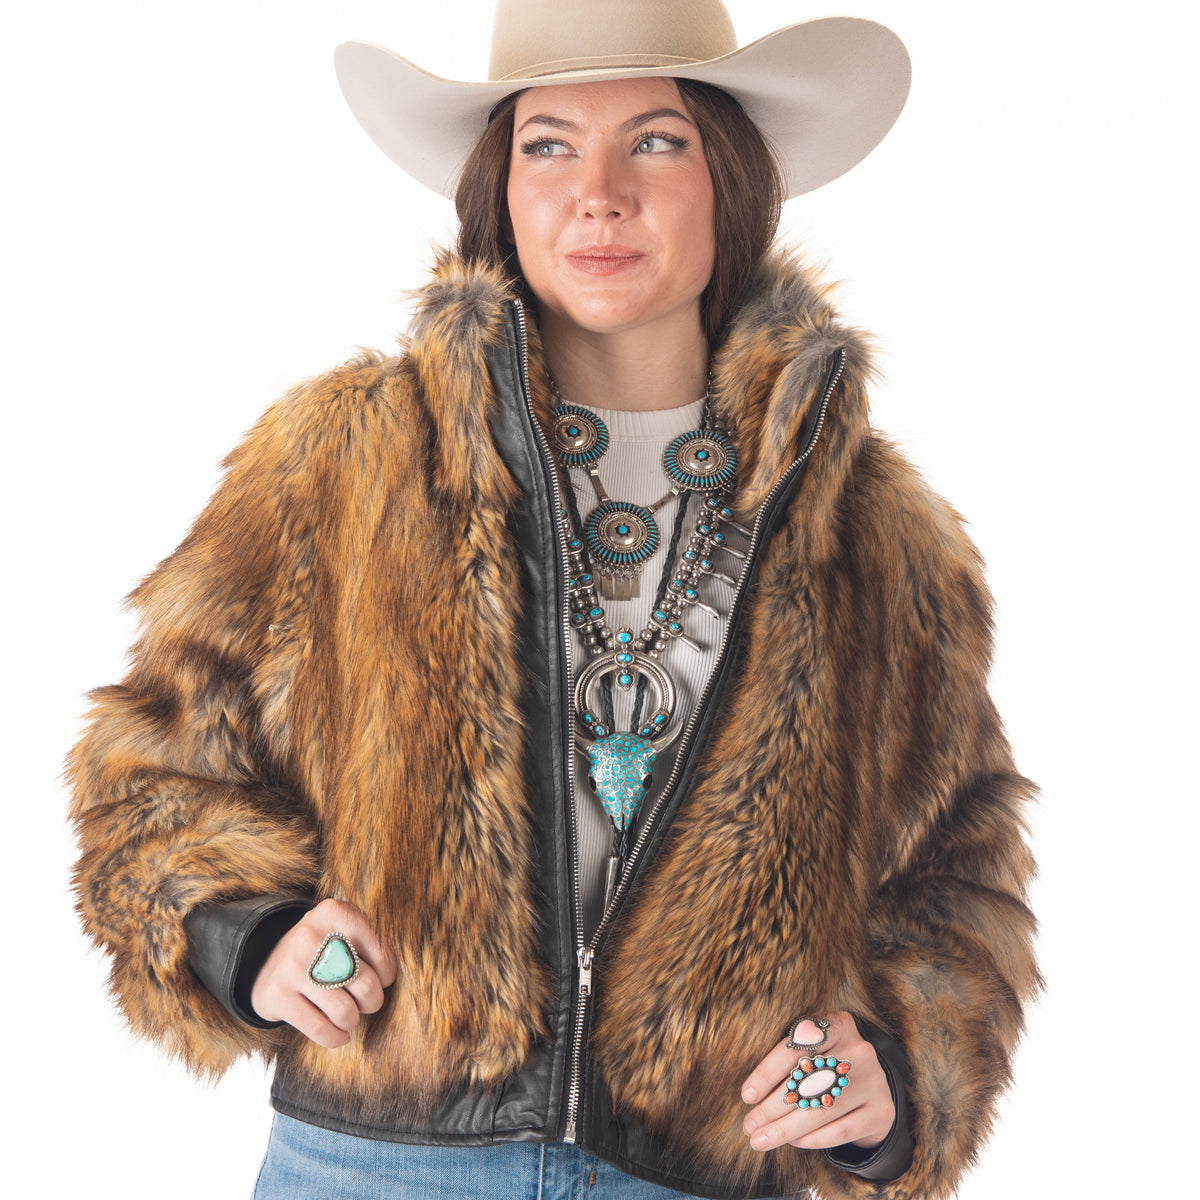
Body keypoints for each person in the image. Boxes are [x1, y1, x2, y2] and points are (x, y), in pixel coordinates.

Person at [67, 2, 1039, 1198]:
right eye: (548, 144)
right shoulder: (345, 460)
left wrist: (893, 1075)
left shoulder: (877, 535)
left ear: (730, 176)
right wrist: (247, 939)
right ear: (500, 185)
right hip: (375, 1168)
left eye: (657, 141)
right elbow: (146, 768)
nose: (599, 192)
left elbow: (962, 873)